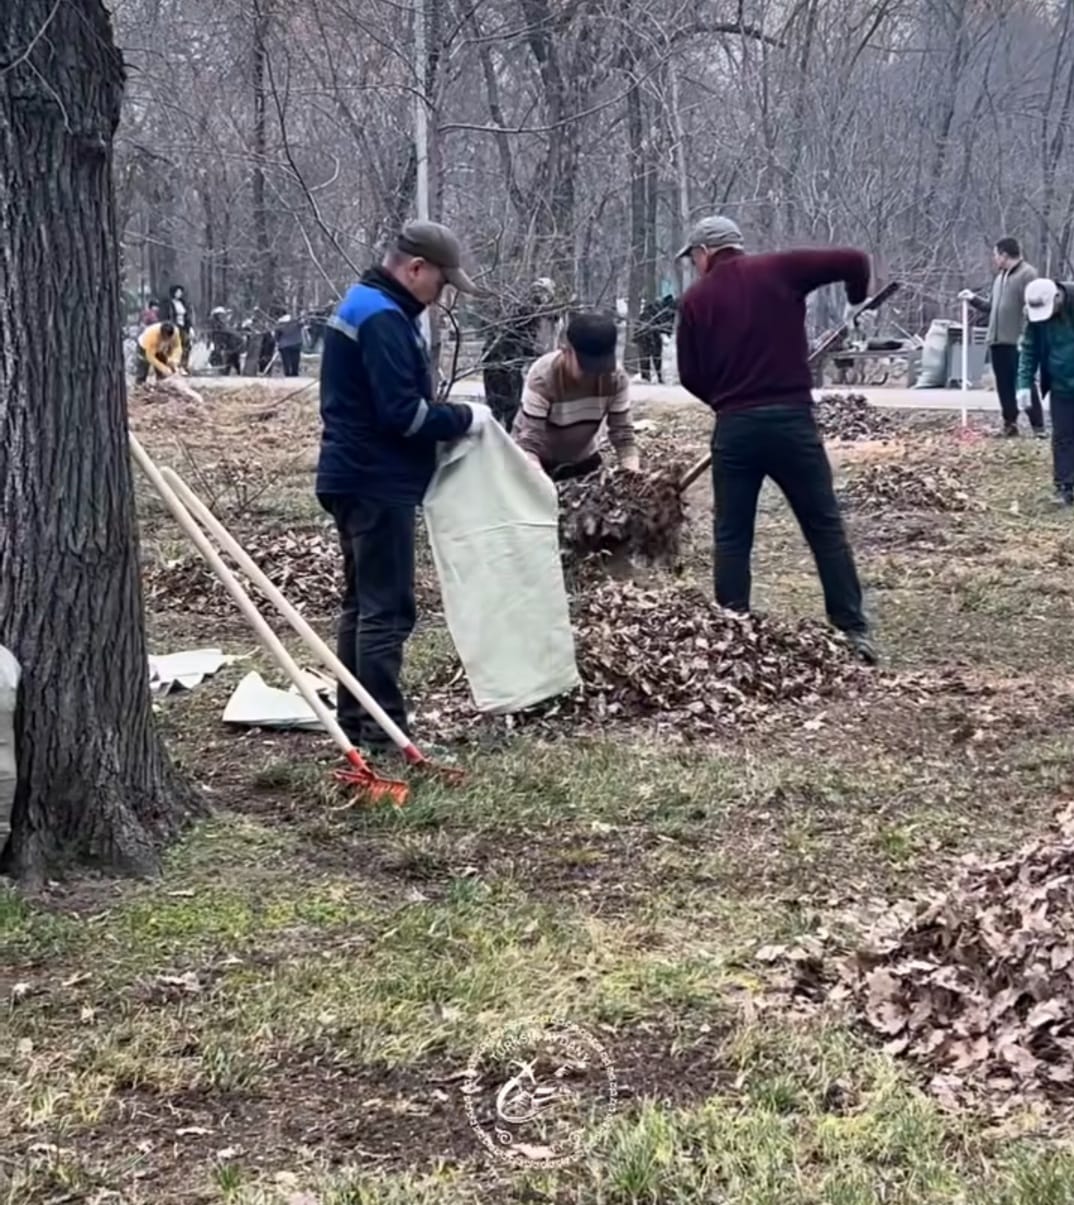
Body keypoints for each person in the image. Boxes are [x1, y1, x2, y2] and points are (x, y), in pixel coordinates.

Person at [316, 220, 488, 753]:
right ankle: (386, 732)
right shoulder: (384, 319)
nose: (440, 298)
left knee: (362, 605)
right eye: (441, 284)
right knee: (387, 611)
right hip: (374, 478)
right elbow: (404, 415)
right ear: (416, 269)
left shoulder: (365, 303)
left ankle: (356, 721)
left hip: (353, 473)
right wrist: (464, 418)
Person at [675, 215, 876, 663]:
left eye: (693, 258)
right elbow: (855, 260)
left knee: (732, 535)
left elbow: (689, 375)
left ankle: (732, 631)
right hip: (792, 422)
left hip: (735, 430)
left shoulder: (694, 300)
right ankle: (852, 630)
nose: (694, 267)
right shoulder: (781, 268)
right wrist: (856, 303)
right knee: (824, 528)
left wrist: (726, 401)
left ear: (705, 252)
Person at [513, 312, 639, 481]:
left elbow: (622, 434)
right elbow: (529, 440)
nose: (594, 374)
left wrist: (632, 473)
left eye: (601, 366)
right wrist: (539, 480)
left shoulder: (616, 378)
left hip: (583, 459)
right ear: (566, 351)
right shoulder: (543, 377)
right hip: (536, 460)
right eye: (587, 366)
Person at [959, 237, 1044, 437]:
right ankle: (1010, 424)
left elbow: (1034, 308)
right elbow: (992, 307)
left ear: (1005, 255)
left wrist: (1028, 336)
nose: (994, 259)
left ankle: (1038, 427)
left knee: (1024, 384)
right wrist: (973, 299)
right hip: (998, 340)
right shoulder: (1000, 278)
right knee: (1004, 386)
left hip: (1018, 341)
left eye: (995, 255)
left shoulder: (1028, 275)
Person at [1017, 278, 1074, 505]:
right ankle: (1065, 487)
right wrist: (1023, 383)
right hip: (1060, 385)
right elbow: (1029, 349)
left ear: (1057, 298)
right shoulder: (1034, 316)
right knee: (1062, 437)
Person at [481, 278, 556, 429]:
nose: (543, 298)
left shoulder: (515, 307)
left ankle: (500, 434)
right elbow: (524, 341)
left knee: (499, 405)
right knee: (508, 404)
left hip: (498, 361)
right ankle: (503, 436)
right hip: (505, 362)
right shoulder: (525, 310)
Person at [635, 294, 676, 383]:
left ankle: (656, 377)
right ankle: (647, 378)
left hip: (651, 335)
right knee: (647, 357)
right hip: (646, 336)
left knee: (655, 357)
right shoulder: (658, 311)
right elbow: (665, 325)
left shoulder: (664, 311)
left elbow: (667, 326)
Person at [161, 285, 194, 373]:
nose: (180, 294)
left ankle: (183, 365)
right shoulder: (169, 304)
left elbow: (187, 316)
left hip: (183, 327)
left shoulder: (183, 303)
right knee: (175, 346)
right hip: (174, 326)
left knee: (186, 345)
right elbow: (167, 316)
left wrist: (190, 326)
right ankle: (173, 366)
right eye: (178, 292)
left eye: (180, 292)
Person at [275, 311, 304, 377]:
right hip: (296, 343)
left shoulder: (280, 323)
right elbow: (302, 325)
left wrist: (277, 342)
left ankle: (287, 373)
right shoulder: (295, 321)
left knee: (286, 361)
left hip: (284, 344)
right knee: (295, 359)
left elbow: (277, 335)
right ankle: (295, 372)